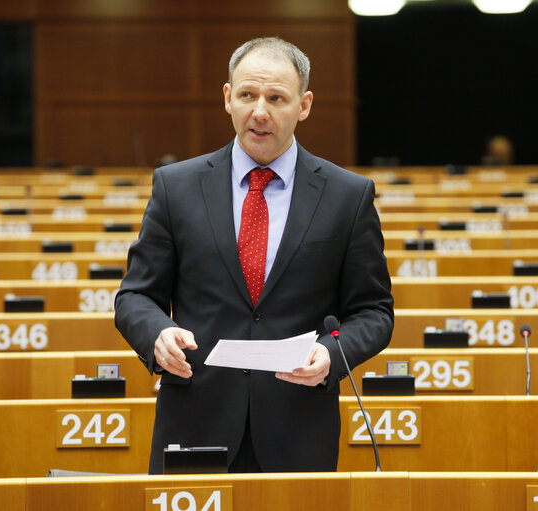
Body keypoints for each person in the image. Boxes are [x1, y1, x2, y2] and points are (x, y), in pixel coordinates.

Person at [114, 37, 394, 474]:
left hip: (299, 428)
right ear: (228, 98)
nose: (259, 111)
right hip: (194, 422)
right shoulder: (176, 186)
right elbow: (135, 297)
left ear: (304, 105)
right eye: (247, 95)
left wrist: (331, 356)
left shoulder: (348, 196)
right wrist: (157, 334)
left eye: (276, 98)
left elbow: (374, 311)